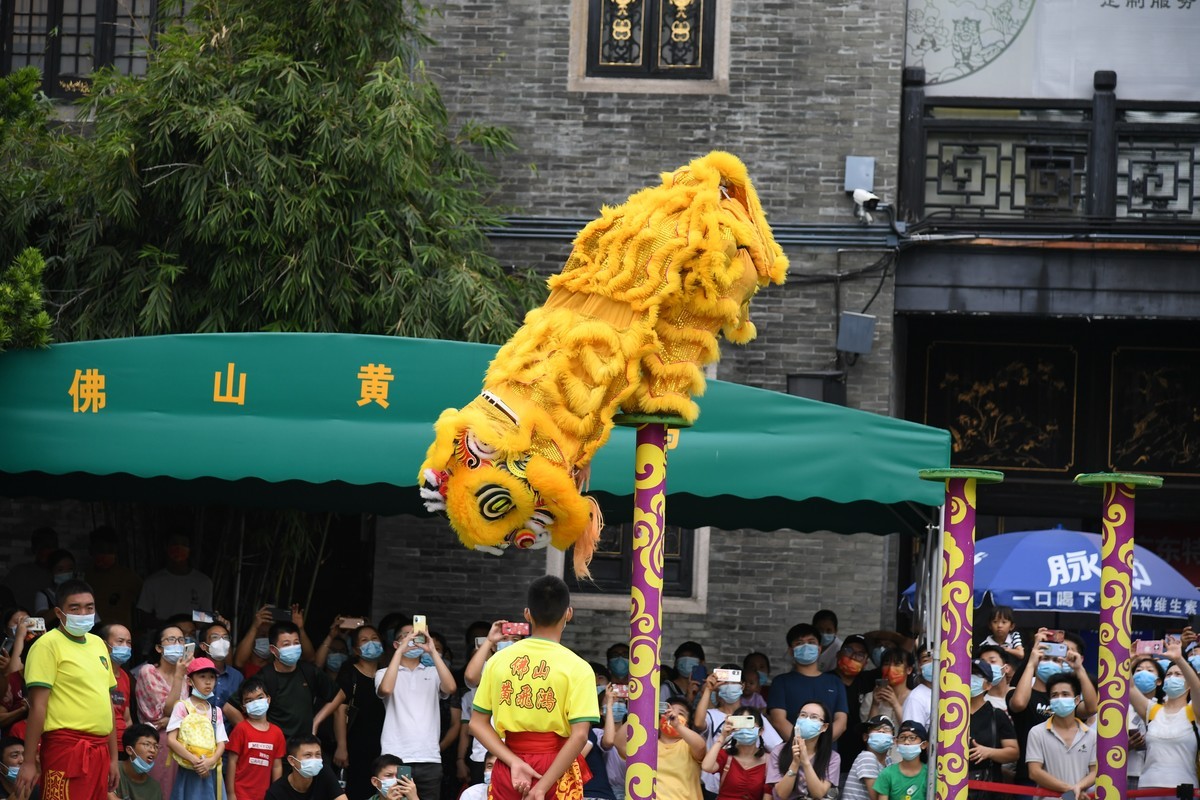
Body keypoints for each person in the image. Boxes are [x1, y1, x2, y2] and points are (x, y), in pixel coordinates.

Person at [469, 576, 600, 800]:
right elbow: (579, 736)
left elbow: (476, 723)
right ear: (568, 613)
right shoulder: (579, 667)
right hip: (556, 769)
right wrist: (541, 787)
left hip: (511, 766)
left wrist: (514, 762)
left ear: (527, 614)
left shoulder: (498, 661)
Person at [17, 578, 118, 800]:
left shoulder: (98, 644)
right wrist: (28, 761)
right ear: (59, 612)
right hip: (65, 749)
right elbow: (37, 707)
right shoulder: (47, 645)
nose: (83, 613)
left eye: (89, 607)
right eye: (75, 608)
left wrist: (112, 758)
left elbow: (106, 702)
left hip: (100, 750)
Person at [376, 620, 456, 800]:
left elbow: (451, 688)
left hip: (429, 757)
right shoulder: (383, 673)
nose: (412, 639)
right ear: (396, 644)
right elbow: (386, 689)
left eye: (416, 635)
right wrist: (399, 652)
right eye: (407, 636)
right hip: (395, 756)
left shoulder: (433, 673)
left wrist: (432, 650)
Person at [1007, 629, 1097, 786]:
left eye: (1056, 660)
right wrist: (1031, 662)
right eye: (1045, 658)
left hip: (1069, 780)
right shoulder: (1021, 692)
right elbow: (1019, 703)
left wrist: (1078, 669)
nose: (1050, 663)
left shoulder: (1067, 699)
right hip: (1030, 781)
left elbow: (1091, 708)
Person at [694, 667, 781, 799]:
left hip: (751, 784)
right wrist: (708, 689)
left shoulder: (755, 717)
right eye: (724, 683)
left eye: (733, 682)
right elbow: (699, 723)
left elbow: (777, 747)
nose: (729, 687)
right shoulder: (712, 715)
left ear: (743, 686)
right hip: (713, 787)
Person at [1129, 638, 1200, 791]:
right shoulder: (1153, 711)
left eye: (1178, 675)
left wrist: (1179, 659)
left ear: (1188, 683)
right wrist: (1129, 660)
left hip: (1185, 790)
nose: (1172, 678)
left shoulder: (1194, 711)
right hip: (1147, 788)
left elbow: (1197, 687)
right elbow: (1128, 687)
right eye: (1169, 675)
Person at [330, 625, 387, 800]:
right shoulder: (350, 674)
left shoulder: (388, 674)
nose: (371, 643)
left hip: (383, 746)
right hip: (356, 746)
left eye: (375, 638)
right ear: (355, 649)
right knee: (357, 791)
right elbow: (340, 711)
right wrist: (342, 746)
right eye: (364, 640)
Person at [258, 621, 338, 743]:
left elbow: (339, 694)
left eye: (296, 643)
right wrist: (259, 733)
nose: (292, 648)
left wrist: (316, 721)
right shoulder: (264, 677)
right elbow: (231, 708)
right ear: (273, 650)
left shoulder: (309, 671)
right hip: (275, 748)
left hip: (304, 747)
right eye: (286, 644)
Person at [135, 624, 190, 798]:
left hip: (181, 741)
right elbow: (165, 710)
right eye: (171, 639)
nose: (177, 644)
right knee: (159, 791)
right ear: (159, 647)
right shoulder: (148, 672)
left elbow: (191, 710)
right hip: (157, 742)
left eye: (181, 640)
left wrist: (174, 719)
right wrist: (179, 676)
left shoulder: (188, 675)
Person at [766, 624, 848, 742]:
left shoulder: (835, 682)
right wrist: (802, 746)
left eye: (811, 642)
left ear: (819, 648)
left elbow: (841, 721)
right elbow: (778, 721)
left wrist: (819, 746)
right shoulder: (781, 682)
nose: (806, 646)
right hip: (792, 753)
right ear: (791, 650)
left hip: (827, 756)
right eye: (799, 643)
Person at [1025, 672, 1096, 798]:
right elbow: (1034, 772)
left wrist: (1078, 788)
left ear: (1077, 700)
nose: (1060, 698)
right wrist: (1071, 790)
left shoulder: (1091, 735)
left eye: (1065, 694)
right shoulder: (1037, 732)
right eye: (1054, 695)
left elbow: (1094, 771)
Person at [165, 657, 227, 800]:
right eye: (202, 676)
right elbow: (171, 740)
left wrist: (210, 762)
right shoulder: (182, 706)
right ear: (189, 681)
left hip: (210, 770)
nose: (208, 681)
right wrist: (196, 762)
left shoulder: (215, 711)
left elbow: (221, 743)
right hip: (189, 769)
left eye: (212, 677)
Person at [226, 678, 286, 800]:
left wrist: (276, 794)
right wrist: (231, 794)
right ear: (243, 707)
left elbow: (277, 766)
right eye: (249, 700)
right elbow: (231, 762)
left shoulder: (277, 733)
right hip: (240, 793)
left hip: (264, 795)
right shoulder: (241, 729)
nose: (256, 703)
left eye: (260, 697)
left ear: (268, 699)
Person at [136, 536, 214, 630]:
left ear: (190, 550)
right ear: (166, 547)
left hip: (191, 638)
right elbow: (144, 615)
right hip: (163, 636)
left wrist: (187, 624)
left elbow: (206, 615)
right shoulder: (153, 581)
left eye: (183, 544)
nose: (178, 548)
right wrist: (168, 626)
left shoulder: (203, 582)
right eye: (174, 543)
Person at [965, 659, 1018, 798]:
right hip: (950, 786)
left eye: (977, 674)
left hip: (987, 789)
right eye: (968, 672)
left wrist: (989, 752)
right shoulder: (948, 713)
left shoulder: (997, 715)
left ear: (988, 685)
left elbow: (1013, 753)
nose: (970, 677)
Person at [766, 702, 838, 800]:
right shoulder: (778, 751)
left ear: (824, 727)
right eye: (803, 715)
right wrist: (795, 763)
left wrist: (805, 762)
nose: (806, 720)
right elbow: (782, 794)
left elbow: (818, 794)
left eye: (814, 717)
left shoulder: (832, 757)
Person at [700, 707, 770, 800]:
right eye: (740, 724)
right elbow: (706, 767)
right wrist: (722, 736)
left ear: (760, 731)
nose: (744, 729)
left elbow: (768, 794)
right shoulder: (726, 756)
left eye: (749, 724)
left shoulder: (768, 761)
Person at [830, 635, 875, 777]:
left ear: (866, 661)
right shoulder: (825, 680)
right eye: (849, 650)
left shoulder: (869, 681)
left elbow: (904, 648)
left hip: (859, 758)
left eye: (860, 654)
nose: (854, 657)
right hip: (831, 754)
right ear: (838, 654)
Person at [86, 527, 143, 630]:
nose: (104, 555)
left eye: (109, 551)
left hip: (121, 636)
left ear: (116, 551)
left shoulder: (128, 577)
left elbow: (145, 606)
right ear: (91, 551)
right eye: (100, 551)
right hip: (92, 634)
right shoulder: (85, 578)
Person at [263, 735, 348, 800]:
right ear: (292, 761)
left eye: (318, 754)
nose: (314, 760)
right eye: (308, 755)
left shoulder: (324, 772)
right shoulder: (276, 793)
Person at [1127, 653, 1164, 790]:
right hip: (1127, 773)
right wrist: (1126, 745)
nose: (1143, 673)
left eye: (1149, 670)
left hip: (1155, 778)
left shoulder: (1164, 710)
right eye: (1138, 670)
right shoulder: (1120, 710)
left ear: (1159, 681)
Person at [199, 621, 244, 732]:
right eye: (215, 637)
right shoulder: (194, 673)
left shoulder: (237, 677)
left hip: (228, 740)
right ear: (203, 646)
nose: (221, 642)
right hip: (197, 737)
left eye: (225, 638)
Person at [99, 623, 135, 751]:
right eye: (120, 641)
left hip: (123, 745)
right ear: (104, 644)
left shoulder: (125, 677)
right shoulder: (96, 673)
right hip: (102, 744)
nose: (125, 647)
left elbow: (127, 718)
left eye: (129, 642)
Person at [2, 528, 58, 611]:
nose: (47, 551)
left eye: (51, 546)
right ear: (34, 549)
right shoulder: (20, 573)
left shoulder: (61, 574)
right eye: (43, 547)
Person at [871, 721, 928, 800]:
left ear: (924, 745)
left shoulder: (930, 774)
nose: (906, 742)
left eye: (912, 738)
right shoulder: (887, 774)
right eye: (902, 738)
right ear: (896, 742)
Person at [841, 715, 893, 800]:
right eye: (876, 728)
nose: (881, 730)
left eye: (886, 729)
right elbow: (877, 797)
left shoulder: (889, 761)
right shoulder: (867, 757)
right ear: (866, 737)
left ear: (893, 740)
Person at [114, 724, 164, 800]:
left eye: (156, 746)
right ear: (129, 750)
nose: (153, 750)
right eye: (147, 744)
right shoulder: (112, 771)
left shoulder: (155, 788)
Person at [862, 648, 912, 724]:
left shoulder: (914, 697)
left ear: (909, 670)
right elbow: (868, 731)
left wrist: (895, 704)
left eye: (897, 664)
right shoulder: (870, 697)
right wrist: (875, 705)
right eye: (886, 664)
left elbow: (910, 728)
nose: (890, 668)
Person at [32, 549, 77, 616]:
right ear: (51, 572)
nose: (66, 573)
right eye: (60, 570)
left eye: (70, 569)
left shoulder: (81, 594)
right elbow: (43, 619)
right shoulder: (44, 595)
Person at [899, 646, 933, 731]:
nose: (933, 664)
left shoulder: (951, 693)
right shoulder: (916, 698)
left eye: (937, 659)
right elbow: (912, 734)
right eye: (926, 660)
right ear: (919, 666)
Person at [975, 645, 1012, 713]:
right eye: (984, 664)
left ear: (1006, 668)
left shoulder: (1019, 694)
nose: (988, 666)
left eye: (992, 661)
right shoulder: (983, 704)